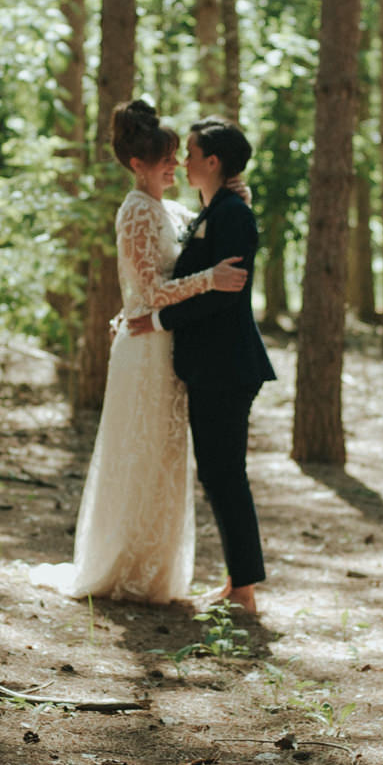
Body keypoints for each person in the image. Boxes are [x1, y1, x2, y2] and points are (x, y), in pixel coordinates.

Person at [30, 100, 249, 603]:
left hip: (167, 347)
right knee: (138, 451)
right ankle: (125, 563)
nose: (175, 166)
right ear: (138, 165)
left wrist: (235, 192)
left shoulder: (171, 209)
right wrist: (209, 280)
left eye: (177, 157)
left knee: (165, 455)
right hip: (143, 350)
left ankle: (158, 571)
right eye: (166, 160)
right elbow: (150, 291)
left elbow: (206, 225)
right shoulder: (134, 211)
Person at [128, 117, 275, 612]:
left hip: (227, 366)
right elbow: (195, 273)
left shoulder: (232, 213)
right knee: (219, 472)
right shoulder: (215, 209)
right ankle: (239, 582)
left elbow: (222, 296)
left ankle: (245, 590)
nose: (183, 161)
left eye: (190, 153)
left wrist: (162, 320)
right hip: (213, 365)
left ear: (213, 162)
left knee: (225, 473)